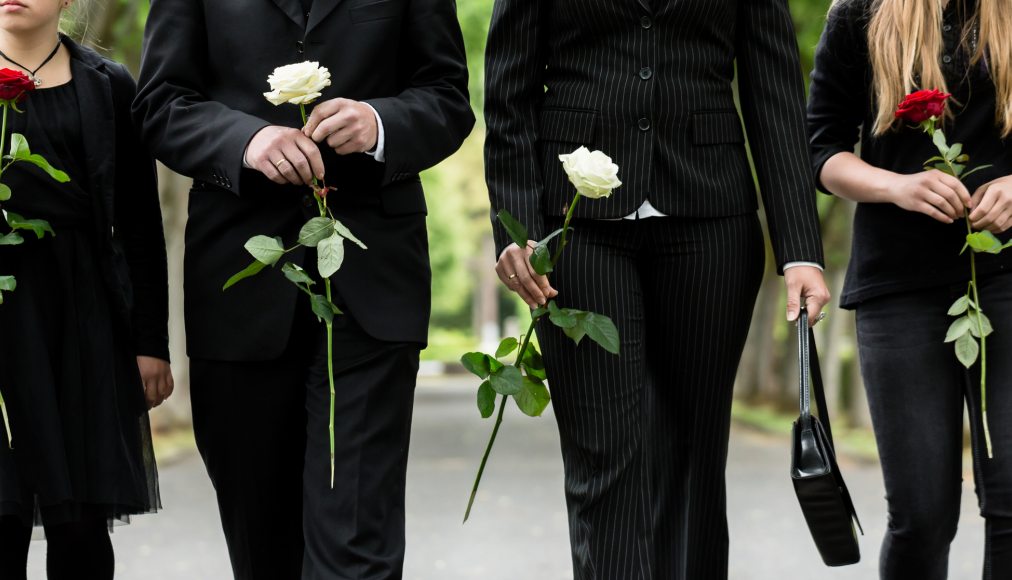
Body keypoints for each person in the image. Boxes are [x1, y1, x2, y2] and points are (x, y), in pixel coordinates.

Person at [484, 0, 831, 578]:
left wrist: (799, 249)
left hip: (712, 217)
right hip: (575, 228)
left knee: (694, 454)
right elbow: (507, 91)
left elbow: (774, 90)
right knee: (602, 455)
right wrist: (516, 227)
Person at [132, 0, 474, 578]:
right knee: (263, 543)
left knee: (357, 544)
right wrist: (246, 142)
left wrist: (380, 123)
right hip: (237, 285)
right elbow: (161, 104)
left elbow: (447, 97)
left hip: (374, 286)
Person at [809, 0, 1012, 577]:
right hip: (897, 288)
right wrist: (895, 187)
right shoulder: (859, 14)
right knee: (921, 516)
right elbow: (820, 148)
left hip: (1009, 277)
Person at [0, 1, 173, 579]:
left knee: (80, 528)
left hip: (84, 319)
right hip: (2, 315)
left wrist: (150, 342)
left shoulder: (108, 85)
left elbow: (140, 221)